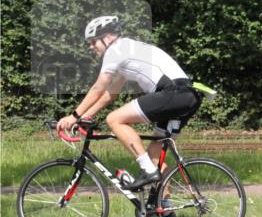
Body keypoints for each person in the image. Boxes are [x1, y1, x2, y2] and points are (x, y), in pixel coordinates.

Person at [57, 15, 201, 190]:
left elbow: (98, 87)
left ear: (108, 37)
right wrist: (87, 116)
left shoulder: (116, 50)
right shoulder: (128, 50)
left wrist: (74, 116)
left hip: (172, 93)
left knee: (114, 119)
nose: (91, 46)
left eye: (94, 41)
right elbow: (110, 94)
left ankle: (148, 172)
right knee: (155, 159)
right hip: (186, 96)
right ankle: (165, 211)